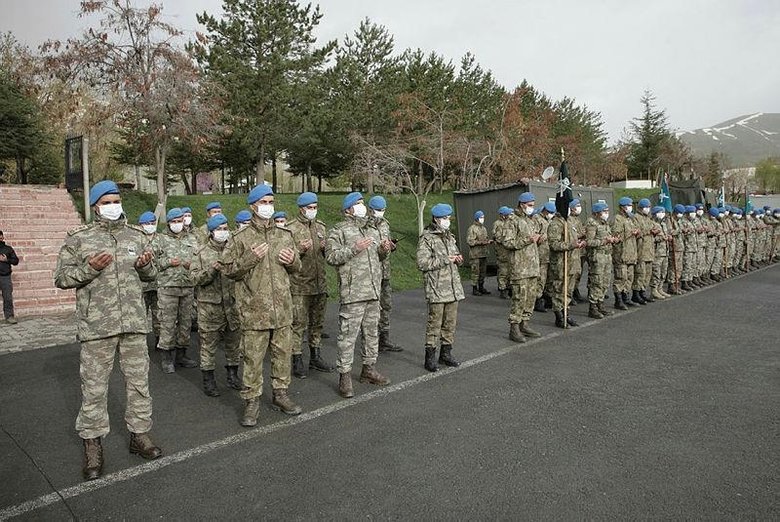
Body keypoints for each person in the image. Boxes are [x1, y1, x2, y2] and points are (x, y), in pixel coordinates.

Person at [54, 180, 162, 481]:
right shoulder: (79, 238)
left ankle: (139, 435)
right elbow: (61, 278)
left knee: (139, 383)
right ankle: (93, 445)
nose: (114, 205)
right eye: (107, 201)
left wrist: (144, 266)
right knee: (94, 389)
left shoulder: (137, 236)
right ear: (95, 206)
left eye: (117, 200)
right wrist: (90, 268)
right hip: (97, 326)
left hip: (133, 325)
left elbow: (152, 273)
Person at [221, 184, 302, 425]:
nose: (268, 206)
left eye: (271, 202)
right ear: (253, 205)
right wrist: (249, 259)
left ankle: (280, 394)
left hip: (282, 309)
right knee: (253, 358)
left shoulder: (284, 235)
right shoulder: (240, 238)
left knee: (282, 354)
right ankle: (251, 401)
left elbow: (296, 268)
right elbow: (227, 270)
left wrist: (293, 261)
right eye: (264, 202)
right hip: (254, 310)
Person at [325, 192, 392, 398]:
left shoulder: (372, 228)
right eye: (358, 203)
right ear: (348, 209)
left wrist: (384, 249)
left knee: (371, 333)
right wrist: (354, 248)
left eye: (363, 202)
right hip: (353, 292)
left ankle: (368, 369)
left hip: (373, 289)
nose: (363, 206)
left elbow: (379, 258)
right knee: (348, 336)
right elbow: (331, 256)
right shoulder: (339, 230)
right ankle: (344, 375)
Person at [190, 213, 242, 396]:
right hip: (210, 308)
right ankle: (208, 380)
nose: (223, 232)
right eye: (219, 229)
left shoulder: (234, 250)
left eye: (225, 229)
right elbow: (195, 278)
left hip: (232, 305)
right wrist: (212, 270)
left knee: (234, 343)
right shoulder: (201, 252)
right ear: (211, 232)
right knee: (208, 345)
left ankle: (233, 375)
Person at [287, 192, 334, 379]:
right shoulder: (290, 229)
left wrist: (324, 249)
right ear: (301, 208)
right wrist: (299, 250)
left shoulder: (321, 227)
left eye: (315, 207)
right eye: (310, 207)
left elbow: (328, 256)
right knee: (298, 324)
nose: (313, 210)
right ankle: (296, 359)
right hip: (299, 286)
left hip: (319, 284)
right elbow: (285, 258)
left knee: (317, 323)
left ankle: (315, 356)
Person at [416, 203, 465, 372]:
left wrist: (458, 259)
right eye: (444, 218)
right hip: (437, 289)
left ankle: (446, 354)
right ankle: (430, 357)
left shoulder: (449, 236)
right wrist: (445, 259)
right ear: (436, 219)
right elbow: (422, 263)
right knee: (434, 324)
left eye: (448, 218)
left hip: (452, 288)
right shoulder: (427, 238)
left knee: (450, 324)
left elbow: (455, 255)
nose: (447, 221)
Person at [153, 208, 199, 373]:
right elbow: (151, 262)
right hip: (168, 286)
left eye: (180, 220)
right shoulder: (160, 239)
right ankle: (166, 357)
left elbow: (199, 260)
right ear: (169, 223)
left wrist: (191, 265)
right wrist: (167, 262)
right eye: (175, 221)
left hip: (187, 286)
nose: (178, 223)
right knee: (167, 322)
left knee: (186, 322)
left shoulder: (193, 239)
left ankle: (182, 354)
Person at [504, 192, 543, 343]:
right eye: (530, 205)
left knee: (530, 298)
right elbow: (507, 242)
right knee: (519, 298)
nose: (532, 208)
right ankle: (514, 328)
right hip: (520, 268)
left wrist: (538, 240)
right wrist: (528, 240)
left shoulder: (530, 220)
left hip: (532, 267)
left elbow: (531, 241)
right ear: (522, 204)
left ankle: (524, 324)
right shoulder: (512, 220)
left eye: (533, 205)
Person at [369, 195, 404, 352]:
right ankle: (371, 340)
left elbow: (386, 242)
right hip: (371, 272)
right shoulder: (364, 226)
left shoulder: (385, 224)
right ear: (370, 210)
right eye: (378, 210)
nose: (380, 213)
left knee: (386, 305)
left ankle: (384, 338)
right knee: (371, 308)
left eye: (383, 210)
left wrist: (391, 246)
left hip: (385, 272)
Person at [547, 202, 586, 328]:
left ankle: (566, 314)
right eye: (568, 208)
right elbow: (553, 244)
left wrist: (578, 243)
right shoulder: (555, 224)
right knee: (559, 290)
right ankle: (559, 317)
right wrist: (571, 245)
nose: (570, 210)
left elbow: (572, 240)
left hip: (572, 262)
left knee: (568, 291)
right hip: (561, 263)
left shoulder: (569, 222)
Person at [585, 202, 618, 318]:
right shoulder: (592, 223)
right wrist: (604, 241)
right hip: (598, 256)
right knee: (597, 282)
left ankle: (600, 303)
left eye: (607, 211)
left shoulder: (605, 223)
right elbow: (589, 242)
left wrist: (613, 240)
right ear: (597, 213)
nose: (606, 213)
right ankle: (593, 307)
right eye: (604, 211)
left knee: (605, 282)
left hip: (607, 255)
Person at [611, 197, 640, 309]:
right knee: (620, 278)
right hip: (621, 253)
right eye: (628, 205)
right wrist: (630, 233)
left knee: (629, 277)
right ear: (622, 207)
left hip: (630, 253)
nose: (630, 207)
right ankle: (618, 300)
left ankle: (626, 297)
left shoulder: (629, 219)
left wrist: (636, 233)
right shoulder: (617, 219)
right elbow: (616, 237)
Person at [138, 211, 160, 345]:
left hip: (158, 284)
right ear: (141, 225)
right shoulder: (136, 239)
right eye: (147, 223)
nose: (150, 226)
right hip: (142, 286)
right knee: (140, 316)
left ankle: (159, 341)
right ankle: (140, 343)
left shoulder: (161, 239)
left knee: (159, 316)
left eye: (152, 223)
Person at [632, 198, 656, 303]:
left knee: (647, 273)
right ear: (641, 208)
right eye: (646, 207)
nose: (648, 209)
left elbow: (653, 228)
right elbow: (636, 232)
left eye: (649, 207)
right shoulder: (635, 218)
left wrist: (655, 231)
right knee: (640, 273)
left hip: (649, 249)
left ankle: (643, 291)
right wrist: (648, 231)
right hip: (641, 249)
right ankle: (636, 293)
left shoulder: (648, 218)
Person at [533, 202, 553, 312]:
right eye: (549, 212)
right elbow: (534, 236)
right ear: (544, 211)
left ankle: (547, 298)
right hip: (541, 254)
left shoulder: (549, 220)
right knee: (540, 278)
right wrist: (542, 236)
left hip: (549, 254)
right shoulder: (537, 219)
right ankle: (538, 300)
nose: (551, 214)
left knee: (549, 279)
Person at [467, 210, 491, 296]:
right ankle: (474, 288)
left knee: (483, 272)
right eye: (481, 217)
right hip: (475, 255)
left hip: (483, 253)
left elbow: (485, 239)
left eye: (483, 217)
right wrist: (481, 242)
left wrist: (488, 241)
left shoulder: (483, 228)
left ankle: (481, 287)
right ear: (477, 218)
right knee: (475, 272)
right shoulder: (472, 228)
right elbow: (470, 241)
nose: (482, 219)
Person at [649, 206, 670, 300]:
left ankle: (660, 288)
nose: (662, 214)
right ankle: (654, 290)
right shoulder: (652, 224)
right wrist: (662, 238)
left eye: (663, 212)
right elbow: (651, 239)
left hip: (665, 251)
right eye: (660, 212)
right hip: (657, 252)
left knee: (663, 272)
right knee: (656, 272)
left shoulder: (663, 224)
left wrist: (668, 237)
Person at [492, 206, 513, 299]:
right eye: (506, 214)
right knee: (503, 271)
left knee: (509, 271)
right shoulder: (497, 224)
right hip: (502, 251)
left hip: (508, 251)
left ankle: (508, 287)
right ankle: (502, 289)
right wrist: (507, 241)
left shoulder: (508, 223)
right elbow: (498, 237)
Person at [0, 229, 20, 324]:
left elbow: (16, 261)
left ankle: (9, 316)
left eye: (0, 237)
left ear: (3, 237)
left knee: (8, 298)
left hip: (5, 277)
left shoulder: (8, 249)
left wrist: (6, 259)